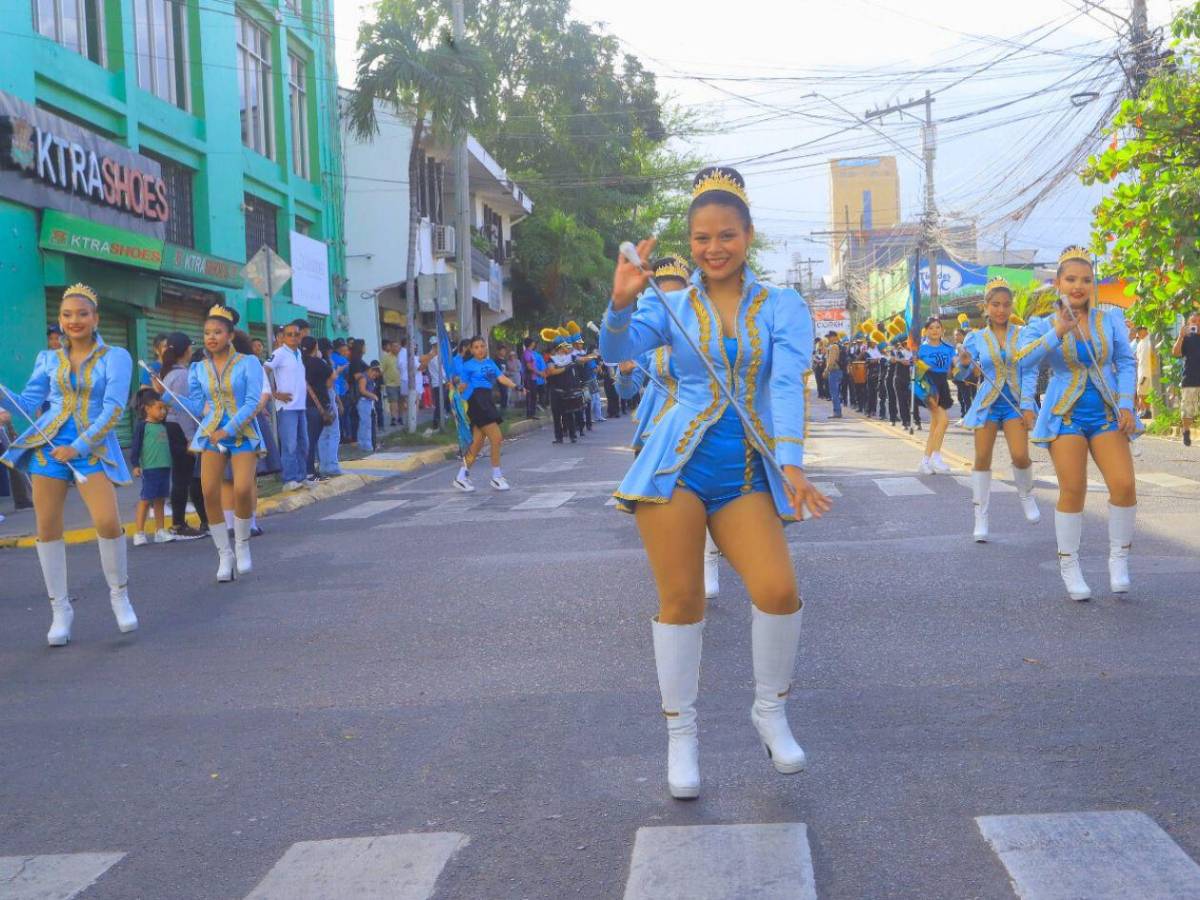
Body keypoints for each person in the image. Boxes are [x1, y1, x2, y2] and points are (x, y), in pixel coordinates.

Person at [600, 166, 831, 800]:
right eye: (701, 238)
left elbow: (785, 382)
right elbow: (616, 350)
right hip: (675, 467)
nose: (713, 248)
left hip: (746, 471)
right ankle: (682, 737)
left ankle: (770, 710)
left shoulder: (782, 305)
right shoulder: (667, 302)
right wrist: (620, 302)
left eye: (726, 235)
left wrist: (790, 461)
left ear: (748, 236)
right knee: (683, 602)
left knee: (778, 591)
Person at [0, 283, 138, 645]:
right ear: (59, 320)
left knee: (107, 521)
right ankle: (60, 609)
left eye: (82, 314)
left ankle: (119, 595)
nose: (73, 321)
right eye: (66, 314)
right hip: (48, 446)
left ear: (96, 318)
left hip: (90, 448)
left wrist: (78, 447)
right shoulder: (48, 358)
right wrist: (6, 408)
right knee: (46, 527)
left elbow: (114, 409)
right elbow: (30, 401)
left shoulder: (116, 357)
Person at [1017, 246, 1140, 601]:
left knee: (1124, 485)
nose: (1078, 286)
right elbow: (1023, 362)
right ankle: (1070, 566)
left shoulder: (1108, 320)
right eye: (1071, 279)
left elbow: (1125, 362)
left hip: (1105, 415)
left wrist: (1127, 403)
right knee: (1073, 489)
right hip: (1064, 416)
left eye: (1086, 280)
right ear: (1058, 282)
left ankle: (1119, 560)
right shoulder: (1042, 325)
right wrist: (1059, 330)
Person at [615, 254, 725, 601]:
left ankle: (708, 561)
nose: (670, 299)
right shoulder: (647, 339)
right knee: (664, 509)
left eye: (676, 291)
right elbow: (626, 392)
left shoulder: (703, 332)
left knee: (703, 499)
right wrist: (627, 371)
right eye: (663, 293)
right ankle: (678, 570)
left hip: (698, 425)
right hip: (655, 433)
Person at [159, 305, 264, 582]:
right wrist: (168, 396)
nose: (211, 337)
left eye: (217, 332)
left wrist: (228, 429)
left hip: (241, 433)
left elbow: (252, 403)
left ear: (229, 335)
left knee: (242, 489)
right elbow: (197, 405)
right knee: (208, 493)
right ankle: (224, 554)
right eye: (207, 333)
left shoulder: (248, 363)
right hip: (210, 434)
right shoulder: (198, 368)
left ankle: (241, 545)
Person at [956, 278, 1040, 542]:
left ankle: (1026, 494)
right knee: (982, 458)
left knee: (1020, 455)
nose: (1001, 310)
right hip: (988, 404)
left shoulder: (1023, 334)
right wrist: (966, 364)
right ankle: (980, 517)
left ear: (1011, 306)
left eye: (1005, 305)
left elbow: (1030, 371)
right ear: (986, 307)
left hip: (1014, 403)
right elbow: (962, 373)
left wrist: (1028, 405)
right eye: (995, 305)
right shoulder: (975, 338)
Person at [159, 333, 209, 540]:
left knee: (187, 477)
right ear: (186, 350)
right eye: (190, 348)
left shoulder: (172, 373)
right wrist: (190, 437)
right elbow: (183, 411)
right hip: (181, 428)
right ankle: (179, 524)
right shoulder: (181, 376)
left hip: (174, 427)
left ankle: (204, 520)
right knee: (185, 478)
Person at [451, 337, 517, 491]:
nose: (480, 349)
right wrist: (455, 386)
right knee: (496, 437)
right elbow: (463, 386)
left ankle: (461, 477)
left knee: (477, 444)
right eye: (476, 347)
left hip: (487, 400)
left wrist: (517, 386)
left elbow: (501, 378)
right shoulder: (467, 366)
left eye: (482, 346)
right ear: (472, 350)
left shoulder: (490, 363)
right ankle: (496, 476)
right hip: (476, 402)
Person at [130, 390, 185, 546]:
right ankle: (139, 532)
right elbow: (136, 447)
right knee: (146, 499)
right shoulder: (143, 427)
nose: (163, 411)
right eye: (158, 408)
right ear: (147, 409)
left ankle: (160, 531)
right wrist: (135, 465)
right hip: (150, 468)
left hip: (164, 467)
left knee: (160, 499)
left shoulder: (164, 426)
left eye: (164, 408)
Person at [266, 321, 309, 491]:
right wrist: (273, 393)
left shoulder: (299, 353)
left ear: (300, 337)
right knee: (289, 445)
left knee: (303, 443)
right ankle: (289, 479)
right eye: (289, 334)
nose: (293, 337)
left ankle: (301, 477)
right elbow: (264, 370)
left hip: (300, 406)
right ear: (282, 337)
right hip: (287, 408)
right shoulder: (279, 353)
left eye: (296, 334)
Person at [915, 317, 955, 475]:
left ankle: (925, 461)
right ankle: (936, 457)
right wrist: (917, 364)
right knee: (944, 421)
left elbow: (954, 370)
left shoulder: (949, 348)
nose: (935, 330)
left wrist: (963, 364)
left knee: (935, 425)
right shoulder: (921, 349)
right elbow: (917, 373)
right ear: (926, 331)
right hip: (928, 385)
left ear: (942, 329)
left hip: (943, 384)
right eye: (931, 328)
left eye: (937, 327)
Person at [302, 336, 335, 479]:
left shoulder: (299, 361)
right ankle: (310, 471)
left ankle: (310, 470)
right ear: (315, 347)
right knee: (312, 439)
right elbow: (332, 376)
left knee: (307, 439)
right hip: (318, 405)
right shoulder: (317, 362)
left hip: (302, 404)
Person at [1172, 312, 1200, 446]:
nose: (1196, 324)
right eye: (1193, 322)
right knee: (1187, 409)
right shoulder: (1187, 338)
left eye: (1198, 321)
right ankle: (1186, 431)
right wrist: (1180, 336)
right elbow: (1176, 353)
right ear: (1189, 324)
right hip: (1190, 378)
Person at [355, 360, 382, 453]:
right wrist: (373, 396)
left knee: (367, 424)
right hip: (363, 402)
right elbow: (362, 390)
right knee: (365, 424)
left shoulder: (370, 378)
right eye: (374, 375)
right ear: (372, 370)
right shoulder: (364, 378)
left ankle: (365, 444)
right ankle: (365, 445)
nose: (374, 377)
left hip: (368, 403)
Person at [380, 340, 403, 427]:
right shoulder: (386, 357)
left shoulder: (403, 356)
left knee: (401, 402)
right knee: (393, 401)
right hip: (390, 384)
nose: (395, 348)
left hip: (402, 383)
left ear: (400, 347)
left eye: (397, 346)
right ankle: (393, 418)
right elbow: (381, 369)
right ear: (391, 347)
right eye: (393, 346)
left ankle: (400, 417)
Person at [1133, 325, 1154, 419]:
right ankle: (1146, 411)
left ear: (1144, 330)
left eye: (1139, 330)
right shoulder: (1140, 343)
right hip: (1141, 371)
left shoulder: (1150, 341)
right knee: (1142, 392)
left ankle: (1147, 411)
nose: (1137, 332)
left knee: (1142, 391)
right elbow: (1137, 358)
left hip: (1147, 372)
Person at [824, 331, 844, 418]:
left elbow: (831, 361)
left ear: (835, 337)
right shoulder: (836, 346)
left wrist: (826, 371)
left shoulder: (833, 346)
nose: (828, 338)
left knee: (834, 393)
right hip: (837, 371)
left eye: (830, 336)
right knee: (836, 392)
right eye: (828, 337)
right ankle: (837, 411)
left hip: (834, 371)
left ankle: (837, 412)